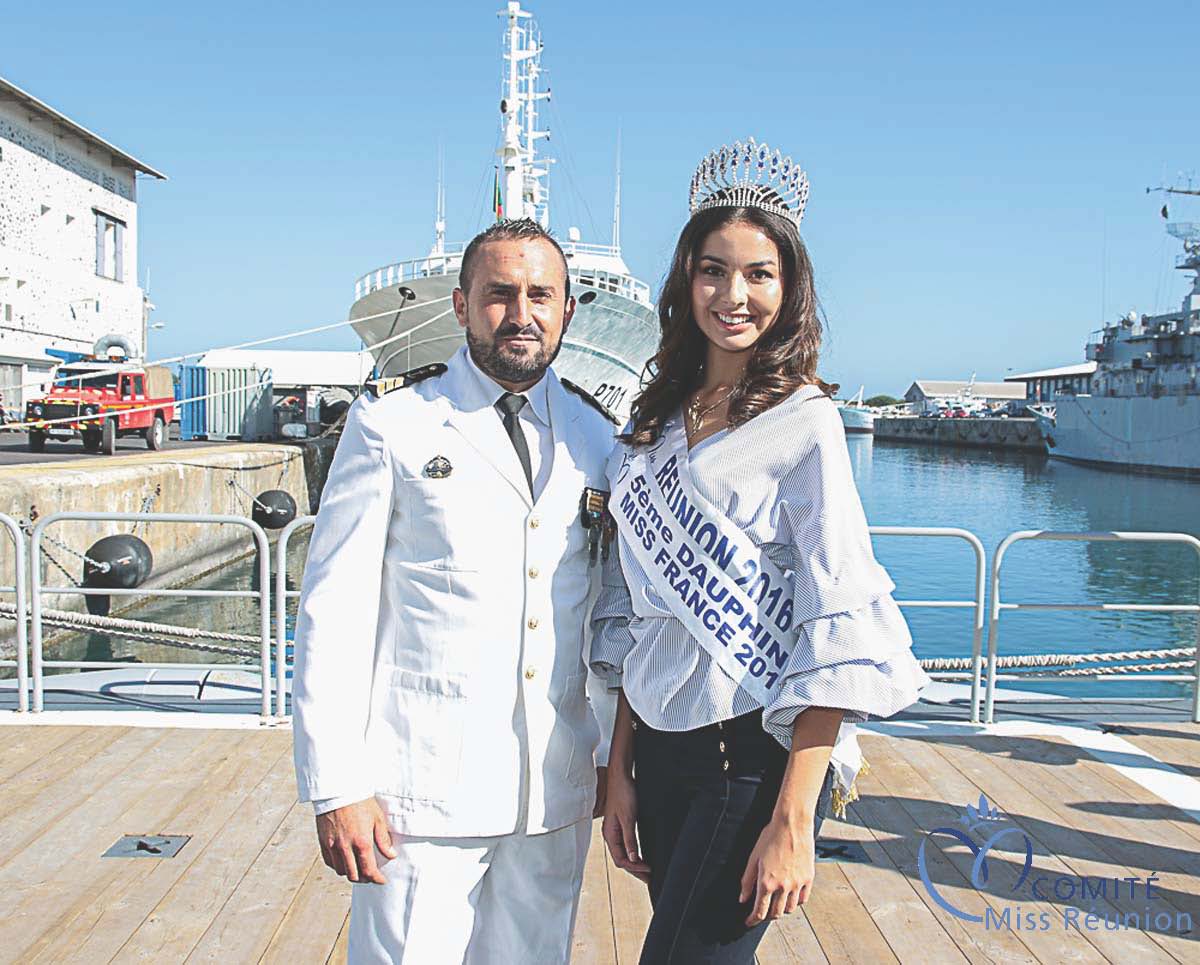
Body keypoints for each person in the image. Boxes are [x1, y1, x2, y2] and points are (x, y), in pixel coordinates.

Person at [592, 139, 928, 964]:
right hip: (662, 755)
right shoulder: (651, 428)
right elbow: (645, 619)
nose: (732, 294)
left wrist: (792, 818)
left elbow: (836, 621)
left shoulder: (805, 424)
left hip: (751, 762)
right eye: (713, 270)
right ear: (685, 280)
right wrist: (620, 768)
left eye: (758, 273)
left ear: (790, 287)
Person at [292, 218, 619, 964]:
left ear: (568, 310)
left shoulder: (597, 440)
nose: (521, 313)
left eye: (542, 294)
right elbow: (333, 612)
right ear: (461, 305)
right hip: (420, 794)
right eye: (499, 293)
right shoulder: (392, 425)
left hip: (551, 790)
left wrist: (609, 760)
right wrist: (336, 781)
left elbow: (605, 612)